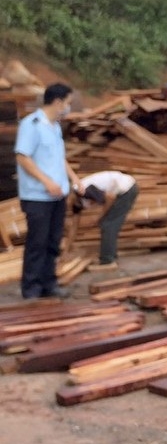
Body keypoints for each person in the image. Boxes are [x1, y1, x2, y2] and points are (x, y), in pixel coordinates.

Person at [15, 82, 81, 299]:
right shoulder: (32, 125)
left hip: (57, 195)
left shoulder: (54, 127)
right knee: (38, 243)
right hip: (37, 196)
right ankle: (31, 289)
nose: (69, 108)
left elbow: (58, 158)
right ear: (58, 102)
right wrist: (46, 181)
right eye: (68, 103)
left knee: (53, 242)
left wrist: (73, 179)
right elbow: (23, 157)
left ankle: (48, 284)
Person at [65, 171, 139, 271]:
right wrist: (66, 251)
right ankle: (110, 256)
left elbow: (110, 197)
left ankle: (107, 261)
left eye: (66, 200)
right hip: (122, 190)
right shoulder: (76, 202)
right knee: (108, 224)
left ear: (70, 194)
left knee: (108, 224)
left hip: (126, 189)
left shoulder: (83, 189)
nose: (67, 204)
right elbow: (74, 227)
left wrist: (99, 217)